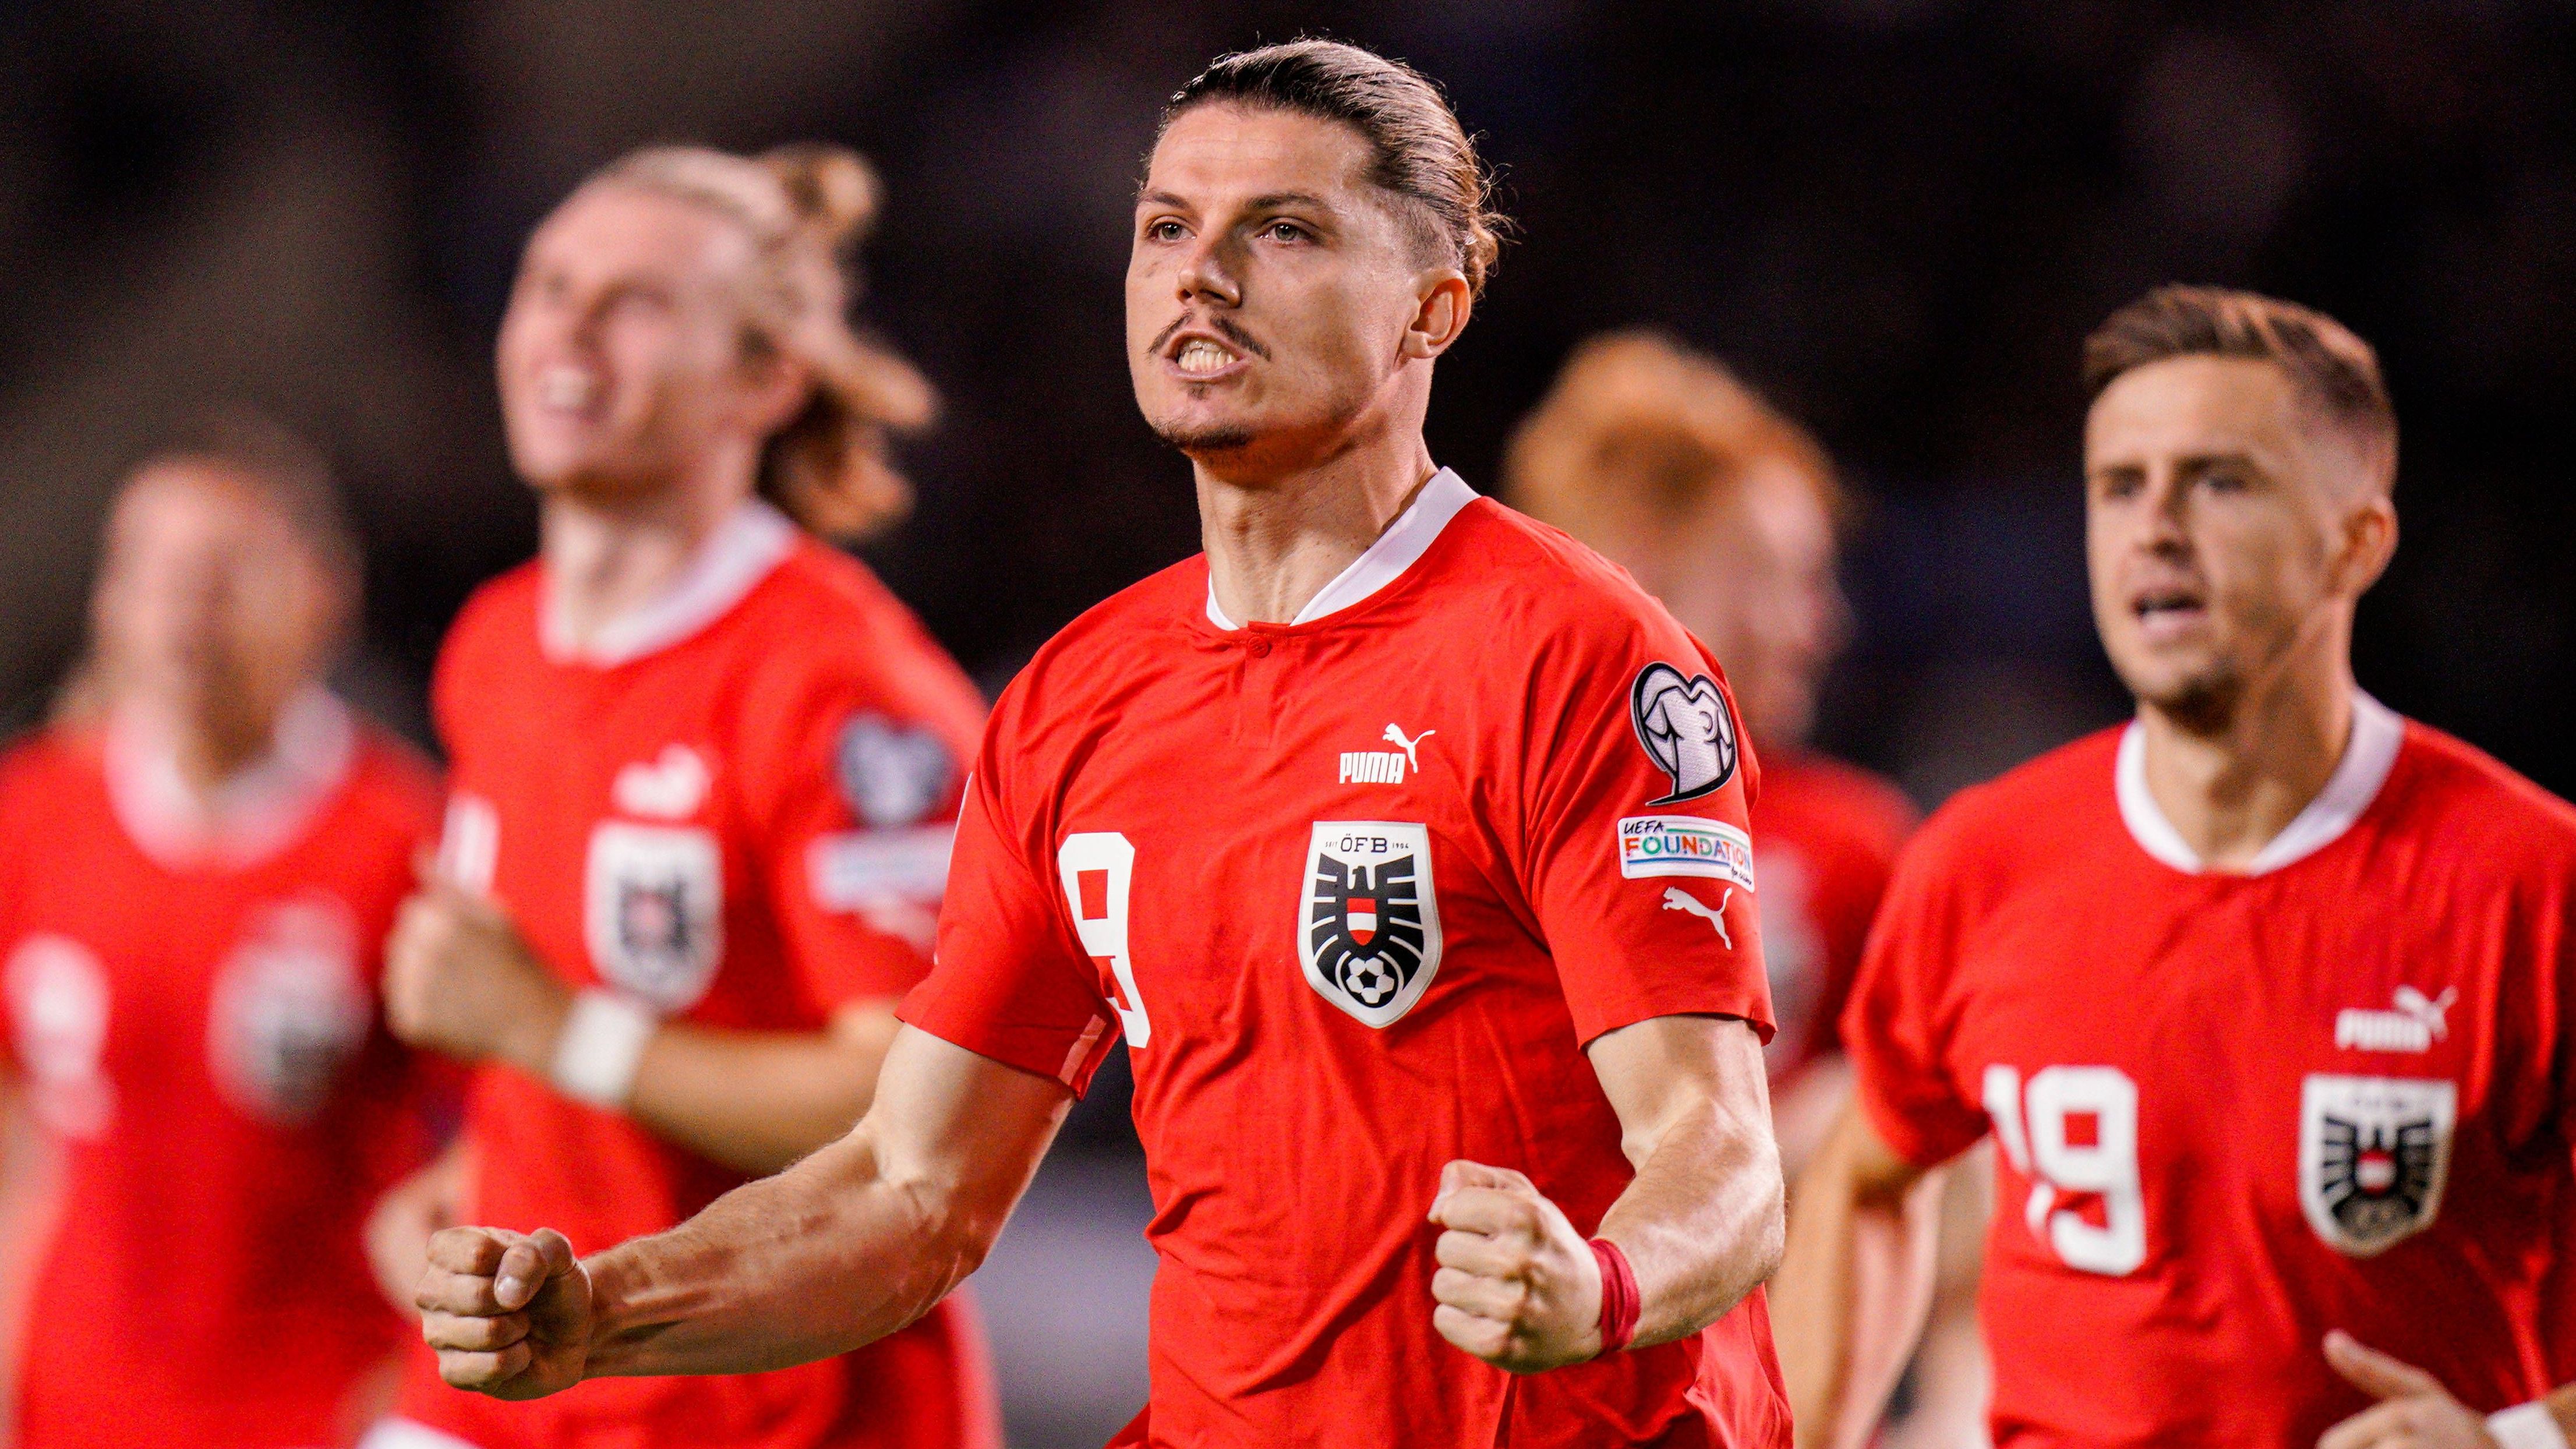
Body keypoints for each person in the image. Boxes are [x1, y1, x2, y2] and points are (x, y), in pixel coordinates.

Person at [414, 40, 1794, 1449]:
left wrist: (1604, 1284)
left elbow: (1720, 1147)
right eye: (1166, 227)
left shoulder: (1572, 655)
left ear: (1430, 308)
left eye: (1286, 230)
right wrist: (603, 1311)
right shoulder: (1078, 701)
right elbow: (910, 1187)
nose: (1202, 273)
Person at [1771, 285, 2576, 1449]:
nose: (2154, 525)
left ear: (2356, 541)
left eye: (2220, 481)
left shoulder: (2531, 884)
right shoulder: (1984, 861)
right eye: (2118, 485)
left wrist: (2516, 1440)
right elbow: (1866, 1177)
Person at [358, 142, 996, 1449]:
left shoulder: (846, 691)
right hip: (517, 1375)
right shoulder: (496, 642)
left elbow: (918, 1109)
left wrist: (554, 1032)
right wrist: (472, 1169)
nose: (570, 326)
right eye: (549, 284)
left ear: (763, 380)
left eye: (636, 301)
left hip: (766, 1402)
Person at [1506, 334, 1989, 1449]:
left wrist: (1964, 1403)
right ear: (1644, 565)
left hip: (1768, 1371)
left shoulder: (1853, 843)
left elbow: (1962, 1151)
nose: (1823, 626)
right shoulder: (1486, 807)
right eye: (1783, 575)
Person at [0, 416, 449, 1447]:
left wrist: (422, 1390)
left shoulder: (405, 844)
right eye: (150, 571)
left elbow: (498, 1143)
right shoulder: (31, 816)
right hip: (75, 1403)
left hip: (319, 1405)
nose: (182, 612)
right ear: (107, 600)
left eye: (222, 572)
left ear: (323, 594)